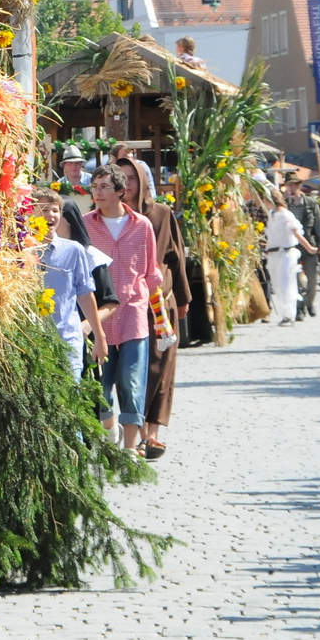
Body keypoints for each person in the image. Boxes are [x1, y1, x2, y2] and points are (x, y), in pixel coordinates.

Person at [83, 166, 164, 451]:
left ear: (121, 191)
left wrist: (161, 316)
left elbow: (151, 273)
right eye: (95, 186)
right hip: (99, 316)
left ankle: (130, 450)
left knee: (131, 382)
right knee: (100, 384)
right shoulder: (85, 225)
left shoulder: (141, 226)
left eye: (104, 186)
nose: (98, 192)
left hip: (133, 313)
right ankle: (108, 426)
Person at [117, 157, 190, 459]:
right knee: (131, 369)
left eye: (133, 178)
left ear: (143, 181)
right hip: (125, 304)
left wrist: (183, 300)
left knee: (161, 368)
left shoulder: (161, 214)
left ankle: (152, 435)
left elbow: (176, 257)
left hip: (160, 303)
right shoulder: (111, 215)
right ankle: (131, 434)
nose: (128, 185)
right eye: (122, 178)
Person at [30, 188, 104, 381]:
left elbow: (85, 294)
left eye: (55, 210)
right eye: (44, 209)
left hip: (67, 339)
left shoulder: (73, 251)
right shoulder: (20, 251)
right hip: (33, 342)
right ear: (30, 212)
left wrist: (99, 335)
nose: (50, 215)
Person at [263, 192, 316, 326]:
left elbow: (296, 232)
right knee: (277, 285)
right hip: (274, 254)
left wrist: (309, 247)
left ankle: (289, 315)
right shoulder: (271, 214)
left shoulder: (286, 215)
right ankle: (285, 313)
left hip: (286, 253)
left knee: (287, 284)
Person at [285, 173, 320, 317]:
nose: (291, 188)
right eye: (289, 185)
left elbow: (319, 224)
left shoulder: (311, 203)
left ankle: (309, 302)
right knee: (296, 280)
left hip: (310, 246)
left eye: (294, 184)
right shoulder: (284, 204)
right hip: (291, 247)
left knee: (312, 280)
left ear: (299, 186)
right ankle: (299, 308)